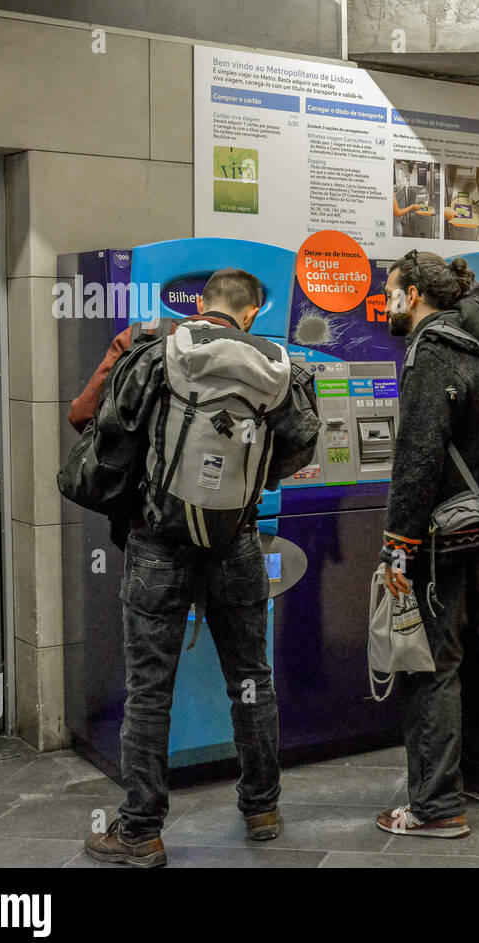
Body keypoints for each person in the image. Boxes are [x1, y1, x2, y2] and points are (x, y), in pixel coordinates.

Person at [76, 268, 320, 866]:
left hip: (157, 544)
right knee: (250, 679)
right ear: (252, 313)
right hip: (236, 542)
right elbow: (304, 441)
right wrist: (253, 479)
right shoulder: (278, 367)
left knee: (149, 691)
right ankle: (261, 807)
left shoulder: (157, 354)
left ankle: (140, 831)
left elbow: (94, 422)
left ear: (202, 304)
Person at [375, 251, 479, 838]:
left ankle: (434, 806)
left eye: (390, 291)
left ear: (415, 295)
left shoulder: (431, 354)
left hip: (438, 542)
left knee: (430, 668)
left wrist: (397, 544)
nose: (385, 301)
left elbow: (418, 458)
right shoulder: (478, 349)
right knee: (478, 654)